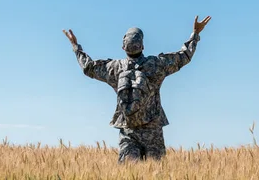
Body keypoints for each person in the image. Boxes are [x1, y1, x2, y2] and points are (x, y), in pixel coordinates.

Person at [62, 15, 212, 163]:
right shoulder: (156, 65)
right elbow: (184, 56)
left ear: (123, 47)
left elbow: (88, 68)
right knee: (157, 173)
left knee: (129, 173)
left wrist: (76, 47)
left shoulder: (114, 68)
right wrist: (195, 34)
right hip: (153, 131)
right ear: (142, 46)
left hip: (128, 131)